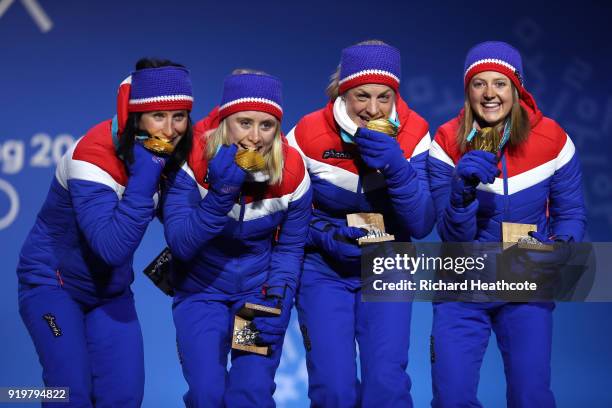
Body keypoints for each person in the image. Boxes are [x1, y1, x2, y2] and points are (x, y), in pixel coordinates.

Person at [17, 58, 194, 407]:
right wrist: (143, 179)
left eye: (180, 116)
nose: (171, 129)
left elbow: (181, 226)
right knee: (68, 393)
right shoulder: (90, 157)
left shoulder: (168, 152)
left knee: (123, 398)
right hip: (53, 287)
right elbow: (111, 248)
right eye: (159, 116)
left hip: (110, 293)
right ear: (136, 116)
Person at [428, 41, 586, 407]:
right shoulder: (445, 142)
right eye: (478, 83)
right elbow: (451, 236)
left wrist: (561, 247)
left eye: (499, 83)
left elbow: (571, 213)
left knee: (530, 396)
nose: (489, 94)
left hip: (526, 282)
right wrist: (461, 191)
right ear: (467, 91)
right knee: (451, 398)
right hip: (461, 286)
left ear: (517, 89)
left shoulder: (553, 140)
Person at [286, 41, 434, 407]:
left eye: (384, 97)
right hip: (323, 267)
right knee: (332, 387)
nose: (372, 109)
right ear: (344, 91)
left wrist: (396, 166)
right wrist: (325, 235)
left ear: (395, 94)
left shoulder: (415, 132)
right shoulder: (307, 132)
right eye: (361, 96)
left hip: (388, 264)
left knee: (386, 384)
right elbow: (282, 215)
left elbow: (422, 222)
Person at [163, 70, 312, 408]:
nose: (255, 137)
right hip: (201, 292)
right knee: (207, 395)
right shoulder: (191, 158)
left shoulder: (291, 172)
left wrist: (276, 302)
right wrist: (221, 193)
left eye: (267, 125)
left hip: (254, 295)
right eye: (245, 122)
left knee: (251, 393)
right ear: (225, 119)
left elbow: (289, 250)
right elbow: (181, 243)